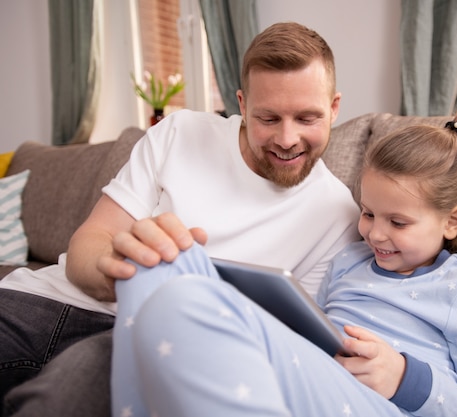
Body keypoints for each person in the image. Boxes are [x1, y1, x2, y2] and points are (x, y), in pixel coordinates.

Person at [0, 22, 361, 416]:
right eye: (269, 119)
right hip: (42, 300)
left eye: (307, 119)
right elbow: (90, 241)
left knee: (58, 403)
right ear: (242, 104)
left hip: (148, 338)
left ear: (334, 108)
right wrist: (128, 273)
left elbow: (288, 343)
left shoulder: (338, 215)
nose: (287, 139)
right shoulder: (180, 132)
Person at [111, 109, 457, 416]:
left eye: (398, 221)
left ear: (452, 221)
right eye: (369, 213)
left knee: (181, 302)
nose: (375, 234)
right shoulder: (348, 261)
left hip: (381, 404)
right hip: (318, 381)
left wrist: (403, 377)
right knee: (158, 262)